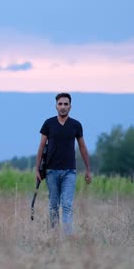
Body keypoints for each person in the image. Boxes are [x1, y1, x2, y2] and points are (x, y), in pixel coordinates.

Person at [35, 92, 92, 235]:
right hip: (51, 171)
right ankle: (54, 235)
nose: (63, 107)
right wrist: (37, 169)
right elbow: (41, 146)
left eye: (66, 104)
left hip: (69, 172)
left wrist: (88, 169)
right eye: (60, 104)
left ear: (70, 107)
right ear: (56, 106)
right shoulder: (48, 124)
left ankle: (67, 236)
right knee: (54, 205)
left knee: (67, 205)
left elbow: (82, 147)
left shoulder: (76, 125)